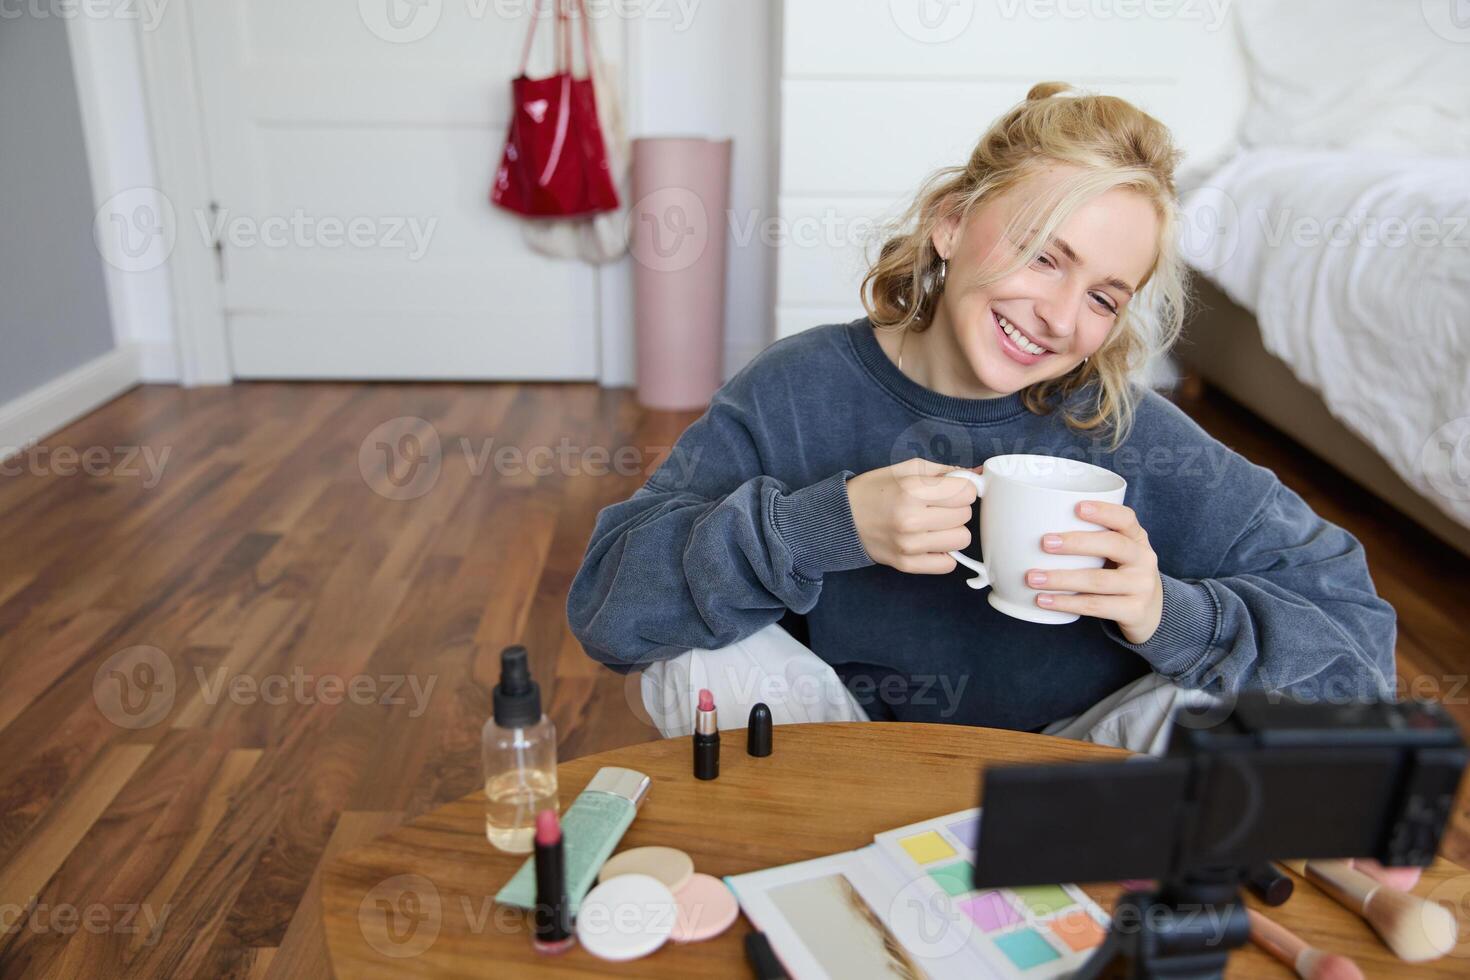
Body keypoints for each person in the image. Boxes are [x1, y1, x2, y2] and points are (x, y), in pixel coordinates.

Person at [566, 82, 1395, 747]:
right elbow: (610, 605)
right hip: (842, 758)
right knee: (696, 658)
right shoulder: (796, 387)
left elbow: (1359, 659)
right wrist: (818, 527)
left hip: (1066, 778)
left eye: (1105, 295)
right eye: (1044, 254)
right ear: (952, 223)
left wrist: (1167, 613)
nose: (1062, 318)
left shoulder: (1131, 434)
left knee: (1219, 705)